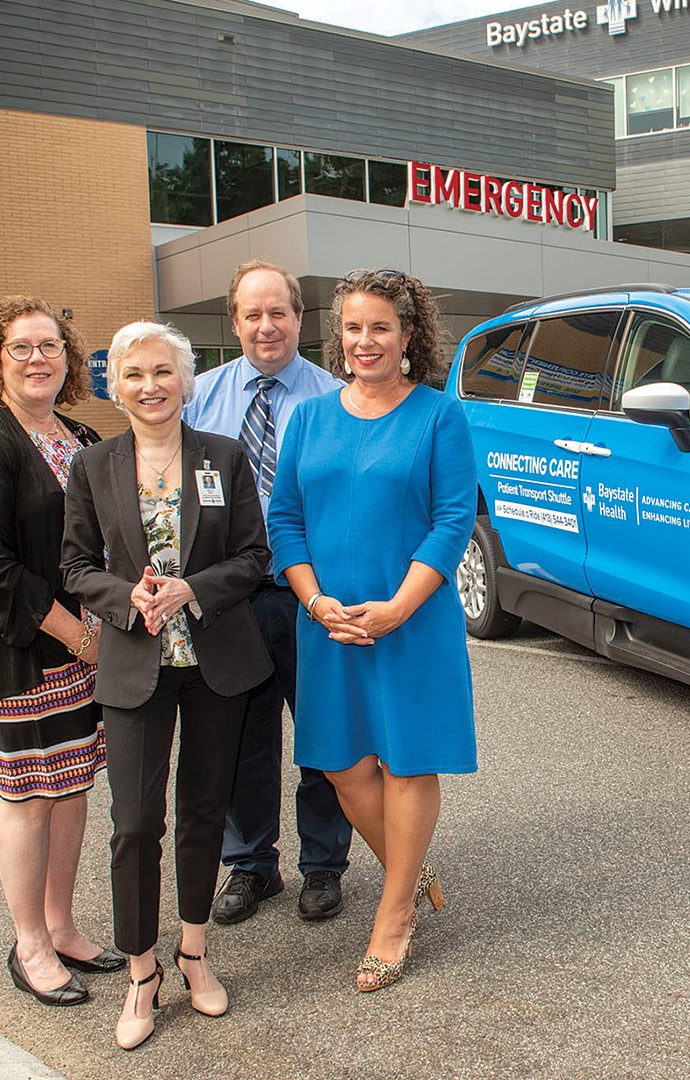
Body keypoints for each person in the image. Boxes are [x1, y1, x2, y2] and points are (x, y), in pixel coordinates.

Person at [60, 321, 274, 1050]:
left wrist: (192, 589)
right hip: (133, 668)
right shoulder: (93, 468)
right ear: (113, 386)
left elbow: (253, 555)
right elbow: (75, 567)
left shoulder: (223, 456)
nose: (150, 386)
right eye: (134, 374)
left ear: (187, 382)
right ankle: (142, 974)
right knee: (134, 824)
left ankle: (193, 953)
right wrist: (129, 598)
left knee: (203, 813)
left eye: (163, 372)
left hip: (215, 664)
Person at [266, 268, 477, 992]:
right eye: (353, 327)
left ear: (408, 336)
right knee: (342, 765)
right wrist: (316, 601)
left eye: (380, 327)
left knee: (407, 763)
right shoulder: (312, 418)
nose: (365, 341)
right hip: (328, 625)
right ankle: (410, 872)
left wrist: (396, 609)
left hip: (410, 622)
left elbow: (453, 522)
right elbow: (284, 520)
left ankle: (392, 921)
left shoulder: (439, 417)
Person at [0, 297, 122, 1009]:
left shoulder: (78, 435)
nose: (38, 358)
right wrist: (80, 637)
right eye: (21, 347)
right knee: (28, 797)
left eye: (50, 346)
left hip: (83, 653)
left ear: (69, 359)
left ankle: (63, 926)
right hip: (20, 654)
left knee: (71, 787)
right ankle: (29, 946)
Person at [183, 260, 353, 925]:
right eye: (252, 314)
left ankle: (322, 866)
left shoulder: (333, 399)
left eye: (278, 311)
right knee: (241, 739)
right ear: (235, 322)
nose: (266, 326)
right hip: (232, 598)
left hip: (311, 594)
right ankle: (251, 866)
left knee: (321, 734)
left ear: (299, 319)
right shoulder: (200, 397)